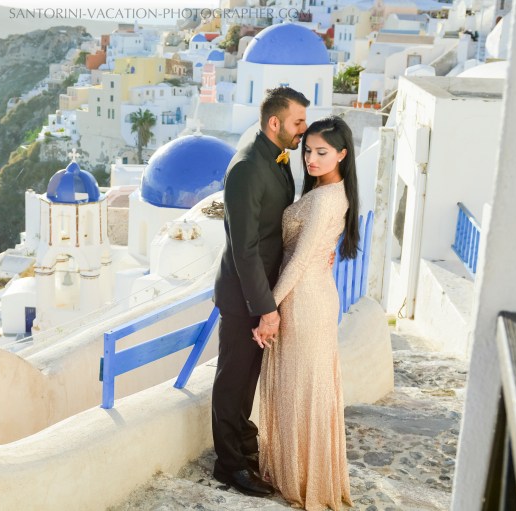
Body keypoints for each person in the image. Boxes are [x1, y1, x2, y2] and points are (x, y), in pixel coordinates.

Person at [256, 116, 358, 511]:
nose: (311, 159)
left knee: (301, 390)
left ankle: (304, 479)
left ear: (342, 154)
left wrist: (268, 308)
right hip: (312, 292)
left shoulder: (327, 197)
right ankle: (298, 471)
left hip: (304, 300)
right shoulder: (328, 190)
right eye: (308, 150)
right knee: (300, 388)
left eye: (322, 152)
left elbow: (298, 261)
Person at [211, 86, 310, 497]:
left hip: (264, 292)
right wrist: (265, 308)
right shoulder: (248, 167)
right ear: (274, 122)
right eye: (298, 122)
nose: (303, 129)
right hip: (244, 297)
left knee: (247, 380)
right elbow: (245, 248)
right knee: (232, 381)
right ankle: (228, 465)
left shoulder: (277, 156)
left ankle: (243, 449)